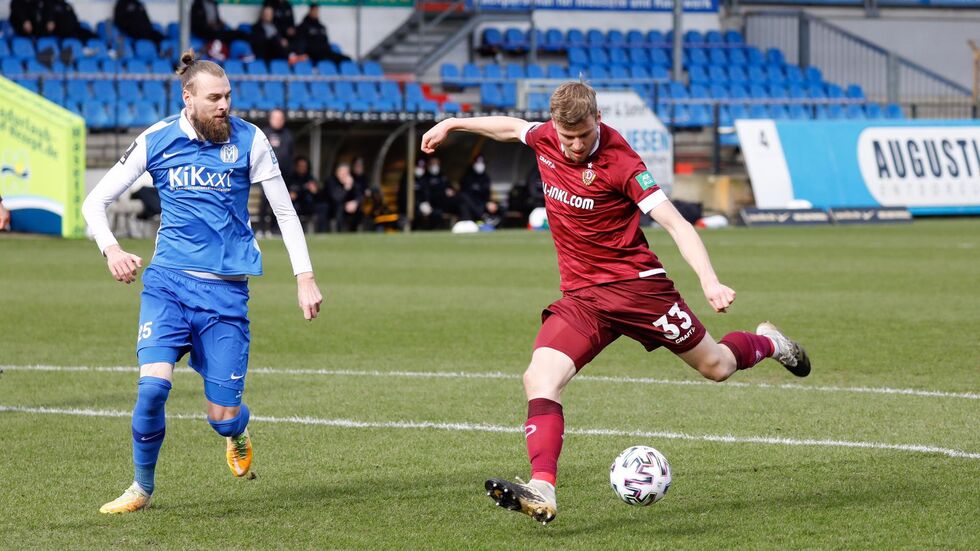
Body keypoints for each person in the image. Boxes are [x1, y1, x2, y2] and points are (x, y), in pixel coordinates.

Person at [420, 81, 811, 525]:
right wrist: (453, 123)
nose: (573, 146)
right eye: (566, 137)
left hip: (638, 292)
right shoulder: (547, 137)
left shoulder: (622, 162)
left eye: (583, 135)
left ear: (598, 120)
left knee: (717, 366)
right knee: (539, 377)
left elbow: (677, 224)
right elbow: (510, 128)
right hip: (583, 298)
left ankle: (770, 342)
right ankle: (542, 487)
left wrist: (710, 281)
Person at [82, 49, 323, 514]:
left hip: (226, 295)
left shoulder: (250, 139)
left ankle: (236, 430)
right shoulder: (157, 139)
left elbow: (285, 212)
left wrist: (304, 277)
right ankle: (141, 488)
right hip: (168, 285)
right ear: (187, 98)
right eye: (214, 98)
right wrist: (111, 249)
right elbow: (95, 202)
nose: (224, 105)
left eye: (228, 96)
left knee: (222, 417)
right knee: (152, 389)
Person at [257, 108, 294, 235]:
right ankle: (261, 229)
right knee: (264, 202)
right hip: (266, 175)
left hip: (283, 176)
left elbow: (290, 156)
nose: (278, 121)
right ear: (270, 119)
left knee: (279, 203)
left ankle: (274, 229)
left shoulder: (288, 135)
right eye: (275, 118)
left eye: (280, 118)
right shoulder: (263, 134)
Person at [288, 155, 329, 232]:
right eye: (300, 166)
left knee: (323, 207)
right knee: (293, 208)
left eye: (304, 166)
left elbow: (320, 195)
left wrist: (315, 191)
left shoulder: (310, 178)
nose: (302, 168)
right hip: (296, 204)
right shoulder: (291, 178)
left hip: (309, 204)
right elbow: (291, 194)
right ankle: (296, 232)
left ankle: (321, 232)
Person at [457, 154, 500, 226]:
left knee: (501, 207)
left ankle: (492, 221)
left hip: (483, 204)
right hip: (471, 204)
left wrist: (489, 203)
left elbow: (487, 194)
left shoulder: (486, 178)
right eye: (478, 163)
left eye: (482, 163)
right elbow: (465, 194)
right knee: (464, 201)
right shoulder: (467, 177)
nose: (480, 165)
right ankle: (482, 217)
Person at [327, 162, 364, 232]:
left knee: (359, 210)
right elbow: (337, 199)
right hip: (334, 207)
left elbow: (360, 195)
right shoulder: (332, 182)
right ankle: (340, 231)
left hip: (351, 208)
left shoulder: (354, 182)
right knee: (340, 208)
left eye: (346, 173)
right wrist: (347, 187)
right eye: (342, 173)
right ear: (337, 173)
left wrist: (355, 203)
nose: (344, 176)